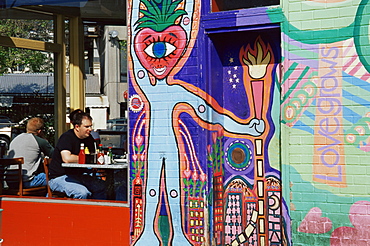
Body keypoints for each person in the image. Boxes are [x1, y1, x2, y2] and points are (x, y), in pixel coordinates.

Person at [48, 109, 106, 199]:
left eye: (90, 126)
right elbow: (66, 158)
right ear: (77, 127)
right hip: (59, 177)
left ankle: (96, 211)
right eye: (86, 127)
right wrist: (88, 158)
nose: (90, 129)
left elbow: (95, 154)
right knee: (82, 193)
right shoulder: (66, 137)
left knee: (102, 187)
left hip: (79, 175)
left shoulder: (88, 138)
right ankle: (80, 213)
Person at [7, 117, 54, 188]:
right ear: (39, 131)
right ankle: (49, 198)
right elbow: (55, 155)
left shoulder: (15, 139)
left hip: (10, 181)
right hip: (26, 181)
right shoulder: (39, 141)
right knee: (54, 178)